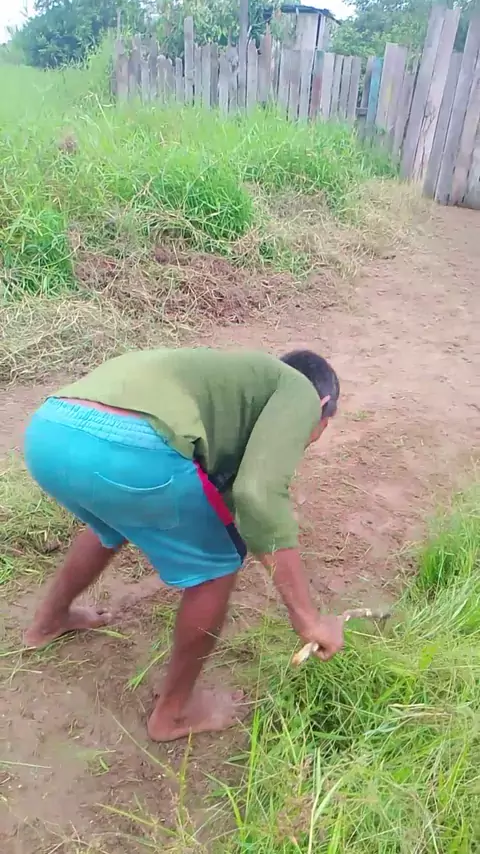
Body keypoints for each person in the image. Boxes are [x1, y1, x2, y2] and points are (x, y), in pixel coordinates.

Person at [23, 347, 343, 742]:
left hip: (51, 430)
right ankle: (173, 714)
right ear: (322, 407)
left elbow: (223, 493)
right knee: (218, 563)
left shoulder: (235, 385)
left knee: (113, 521)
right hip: (130, 446)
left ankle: (49, 622)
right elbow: (257, 496)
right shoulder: (301, 393)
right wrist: (308, 618)